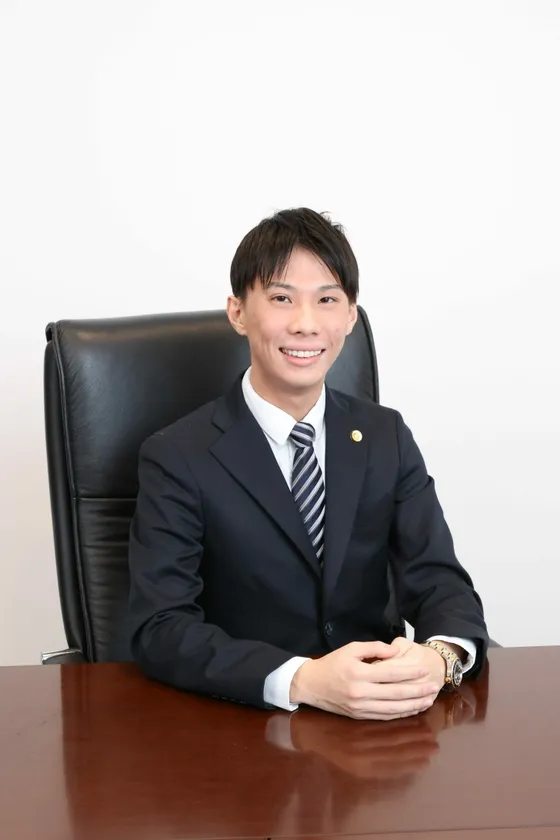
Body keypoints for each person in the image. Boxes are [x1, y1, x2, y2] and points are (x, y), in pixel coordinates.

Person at [128, 207, 488, 720]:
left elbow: (439, 580)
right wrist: (302, 679)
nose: (305, 324)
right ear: (237, 312)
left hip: (380, 723)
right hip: (245, 725)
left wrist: (441, 657)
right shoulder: (177, 455)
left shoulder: (385, 435)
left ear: (350, 315)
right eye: (281, 298)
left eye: (327, 300)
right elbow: (161, 627)